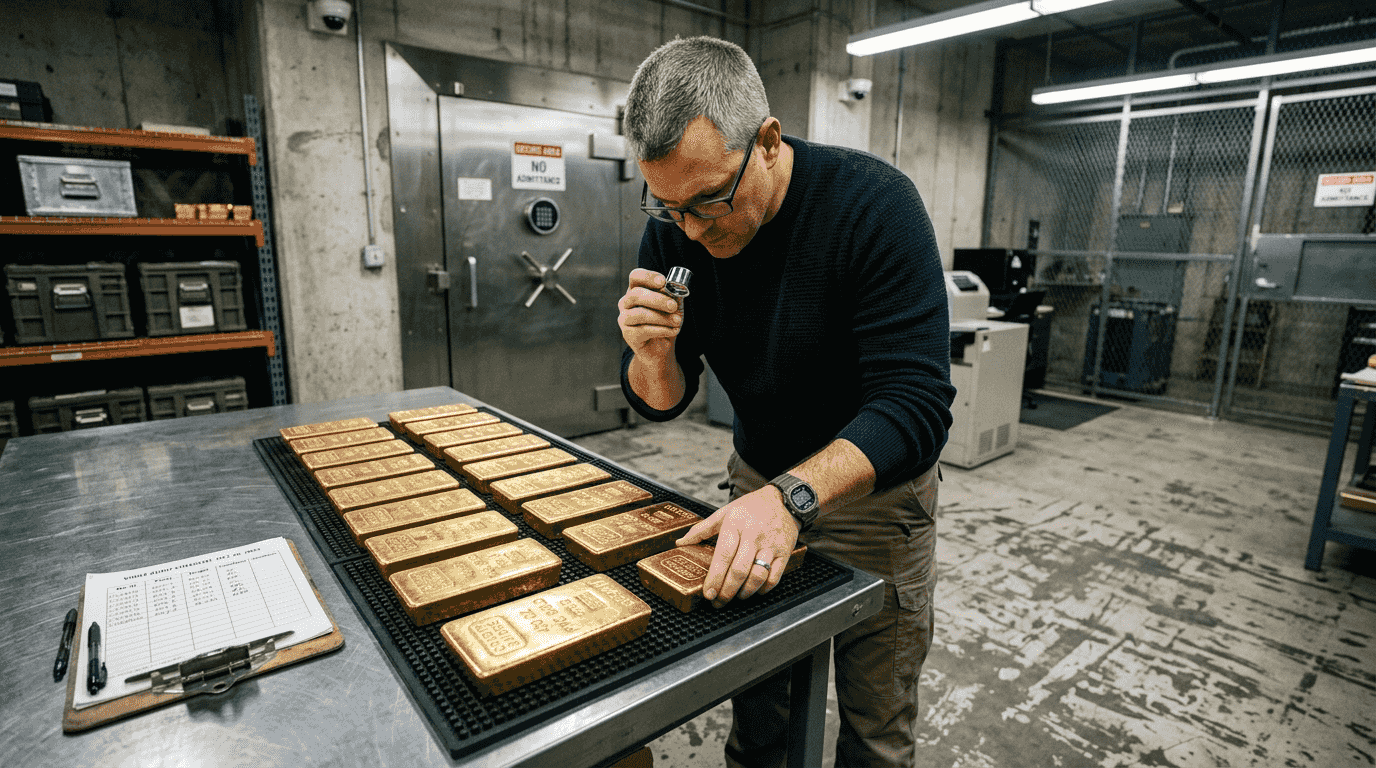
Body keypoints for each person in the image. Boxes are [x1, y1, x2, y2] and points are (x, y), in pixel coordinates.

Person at [616, 36, 954, 768]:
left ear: (768, 142)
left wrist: (791, 498)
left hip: (874, 505)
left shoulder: (875, 206)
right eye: (670, 207)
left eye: (711, 200)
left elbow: (917, 403)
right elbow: (662, 403)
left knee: (876, 727)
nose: (695, 231)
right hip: (753, 486)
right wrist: (652, 355)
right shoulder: (675, 226)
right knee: (760, 708)